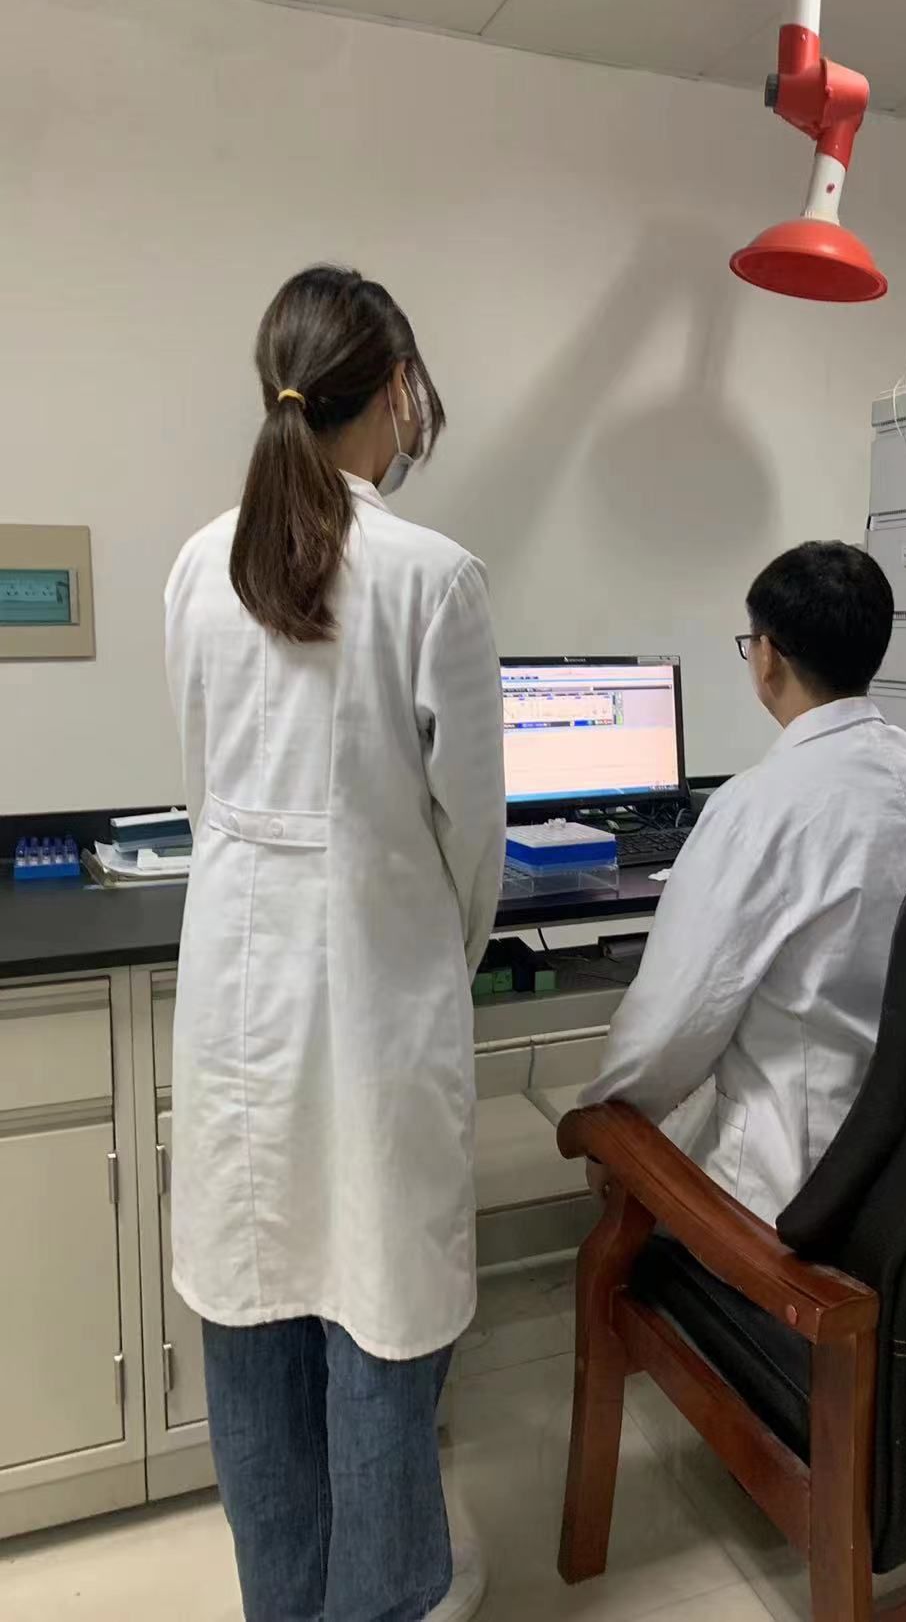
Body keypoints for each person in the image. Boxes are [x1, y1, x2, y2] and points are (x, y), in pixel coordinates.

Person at [164, 266, 506, 1622]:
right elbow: (471, 841)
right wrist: (427, 967)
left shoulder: (198, 564)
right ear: (400, 389)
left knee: (256, 1323)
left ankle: (288, 1600)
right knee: (379, 1321)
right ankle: (382, 1600)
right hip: (377, 1001)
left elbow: (202, 788)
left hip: (235, 1003)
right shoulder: (435, 576)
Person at [581, 541, 906, 1226]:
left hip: (799, 1186)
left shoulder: (759, 803)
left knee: (627, 1143)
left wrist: (602, 1121)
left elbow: (674, 1022)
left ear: (767, 658)